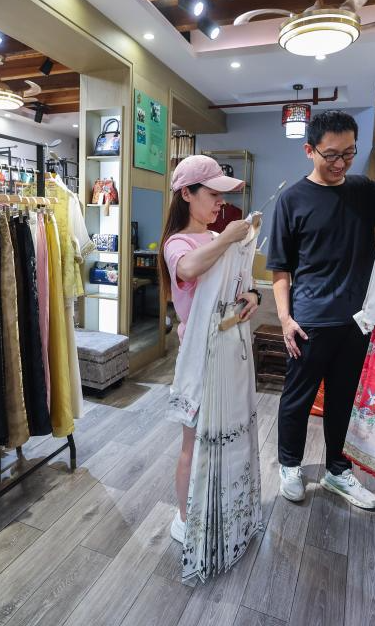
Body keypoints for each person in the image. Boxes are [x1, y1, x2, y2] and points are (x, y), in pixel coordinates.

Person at [266, 110, 375, 509]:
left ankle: (338, 471)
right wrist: (285, 319)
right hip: (309, 321)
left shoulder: (362, 191)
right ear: (310, 150)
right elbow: (280, 270)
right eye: (332, 154)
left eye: (349, 153)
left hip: (357, 320)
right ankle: (290, 466)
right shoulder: (291, 200)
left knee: (344, 400)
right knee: (297, 399)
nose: (341, 163)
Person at [160, 154, 262, 581]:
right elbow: (187, 269)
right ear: (187, 194)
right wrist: (227, 239)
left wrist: (252, 296)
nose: (220, 202)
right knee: (193, 441)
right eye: (213, 194)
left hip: (228, 350)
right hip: (199, 357)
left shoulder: (218, 236)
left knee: (226, 434)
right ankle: (187, 517)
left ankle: (219, 507)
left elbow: (242, 283)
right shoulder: (179, 244)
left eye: (223, 195)